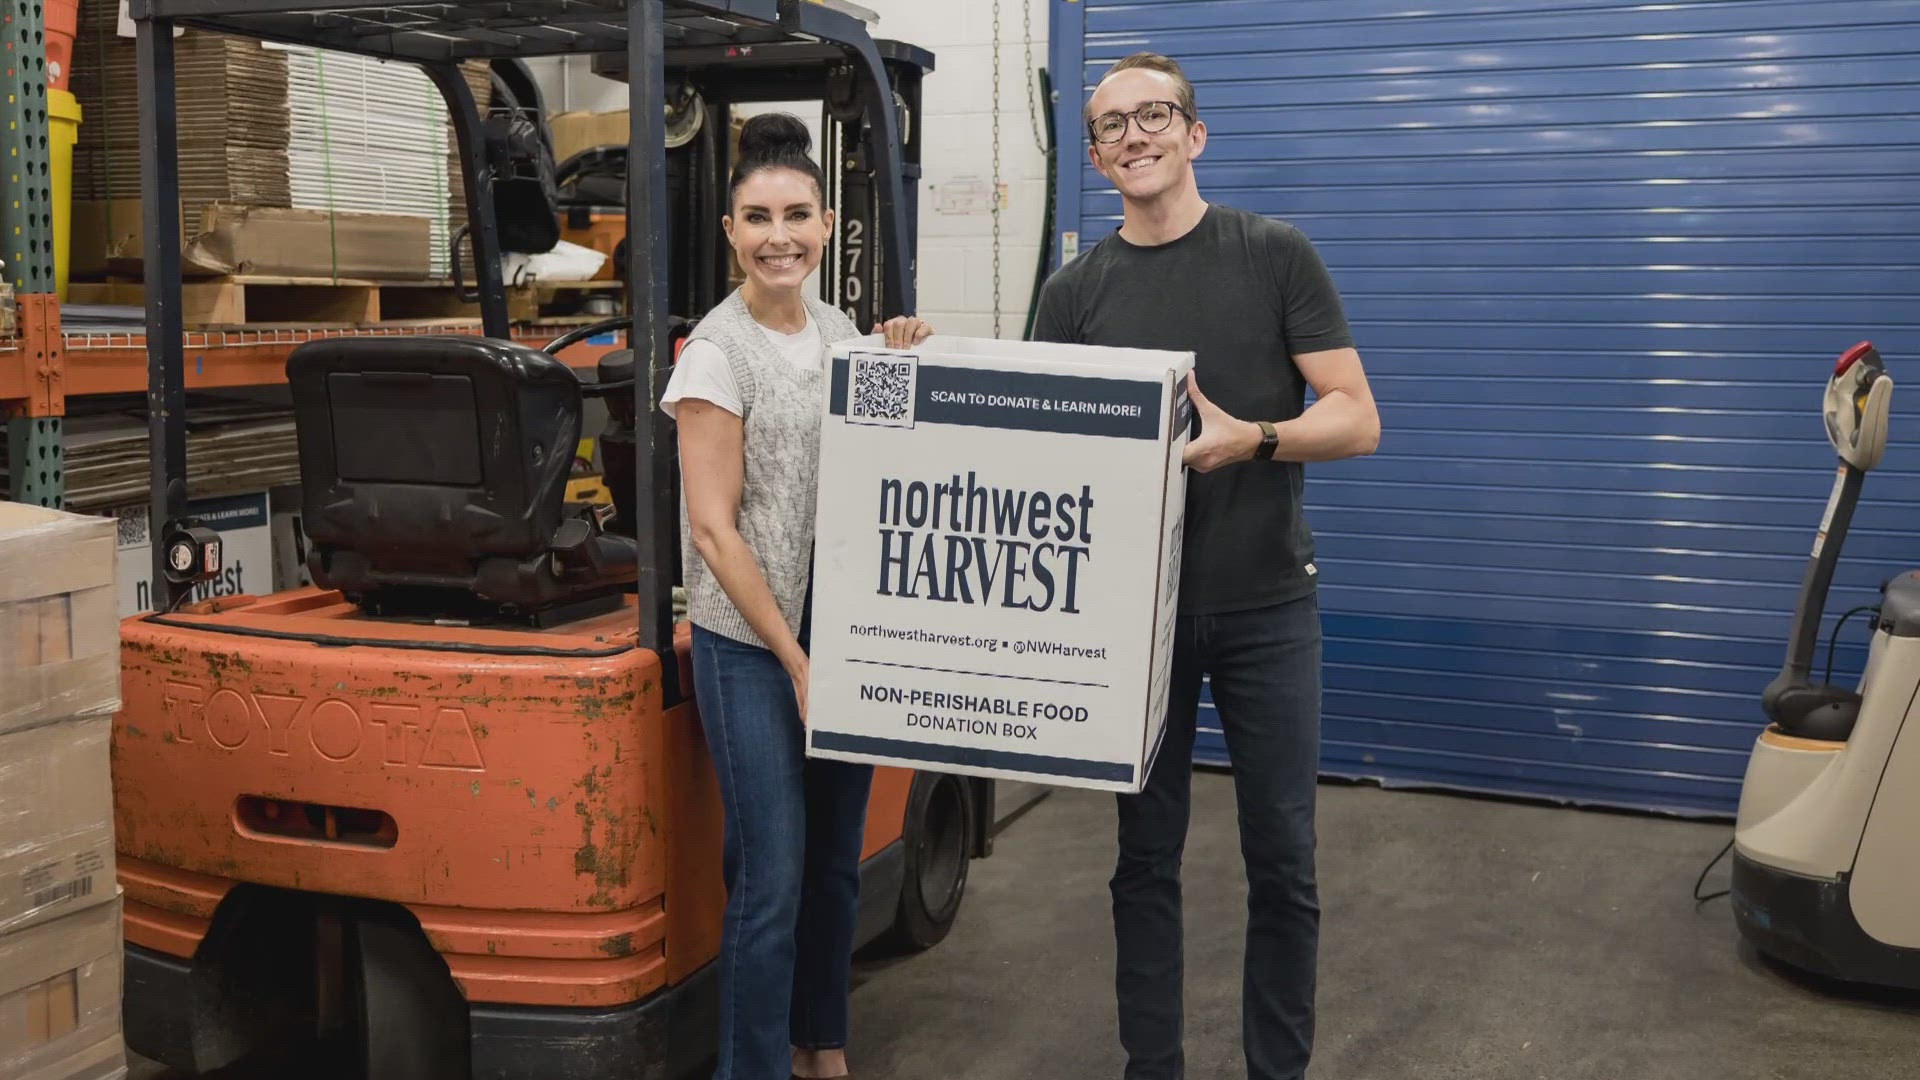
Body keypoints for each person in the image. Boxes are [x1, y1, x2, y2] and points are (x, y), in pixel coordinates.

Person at [1030, 52, 1381, 1080]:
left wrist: (1256, 439)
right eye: (1112, 126)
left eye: (1154, 115)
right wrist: (914, 362)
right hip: (1137, 621)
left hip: (1267, 606)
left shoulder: (1273, 255)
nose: (1134, 135)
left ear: (1194, 133)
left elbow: (1357, 418)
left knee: (1284, 860)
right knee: (1143, 859)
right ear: (1097, 158)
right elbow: (1033, 447)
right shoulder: (1074, 293)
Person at [661, 111, 932, 1080]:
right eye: (758, 217)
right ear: (730, 232)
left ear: (826, 226)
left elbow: (885, 457)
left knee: (833, 862)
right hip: (749, 641)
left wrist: (905, 358)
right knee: (771, 876)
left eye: (796, 215)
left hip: (837, 628)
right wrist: (797, 659)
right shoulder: (714, 354)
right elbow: (712, 532)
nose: (779, 236)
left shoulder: (841, 335)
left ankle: (823, 1048)